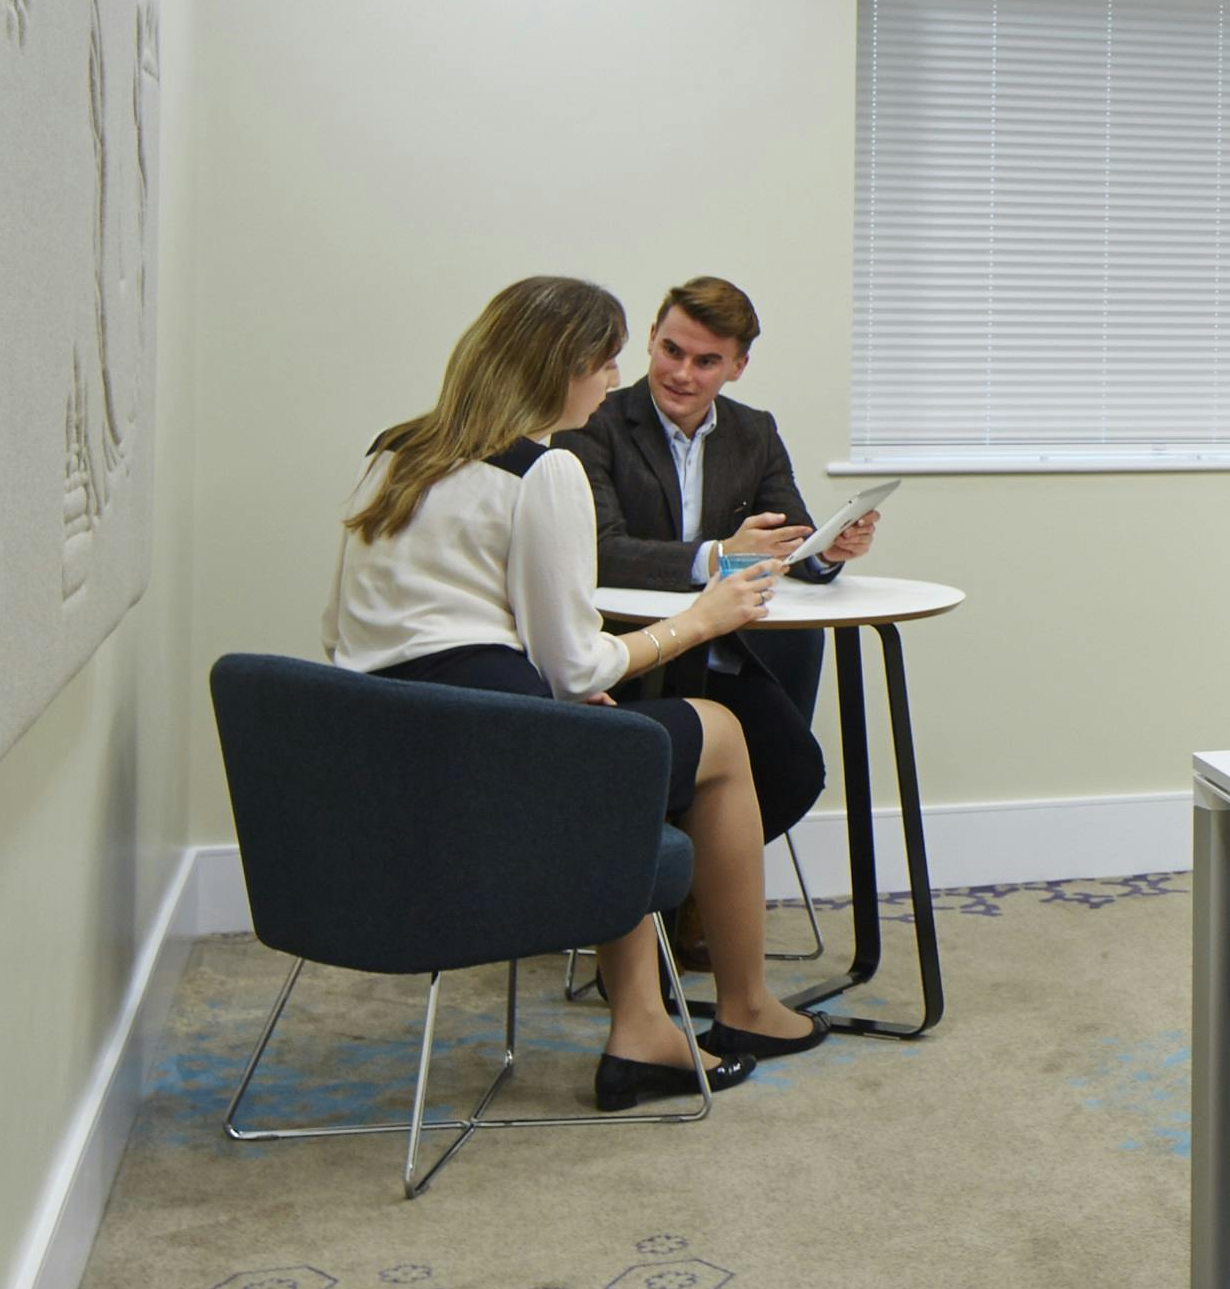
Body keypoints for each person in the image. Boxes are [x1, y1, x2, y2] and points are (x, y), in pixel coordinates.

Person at [321, 275, 827, 1107]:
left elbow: (344, 631)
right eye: (610, 357)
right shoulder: (542, 471)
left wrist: (541, 694)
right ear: (567, 366)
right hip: (493, 769)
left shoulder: (395, 451)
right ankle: (745, 1005)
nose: (616, 376)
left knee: (606, 749)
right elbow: (577, 666)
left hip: (386, 768)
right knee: (721, 735)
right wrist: (701, 620)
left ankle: (643, 1029)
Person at [554, 277, 874, 850]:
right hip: (626, 655)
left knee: (796, 769)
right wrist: (718, 556)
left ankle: (697, 898)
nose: (682, 374)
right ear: (652, 339)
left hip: (724, 656)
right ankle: (666, 905)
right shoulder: (593, 420)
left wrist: (824, 551)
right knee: (645, 777)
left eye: (707, 361)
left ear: (738, 366)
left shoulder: (754, 431)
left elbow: (786, 539)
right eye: (672, 351)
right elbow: (596, 550)